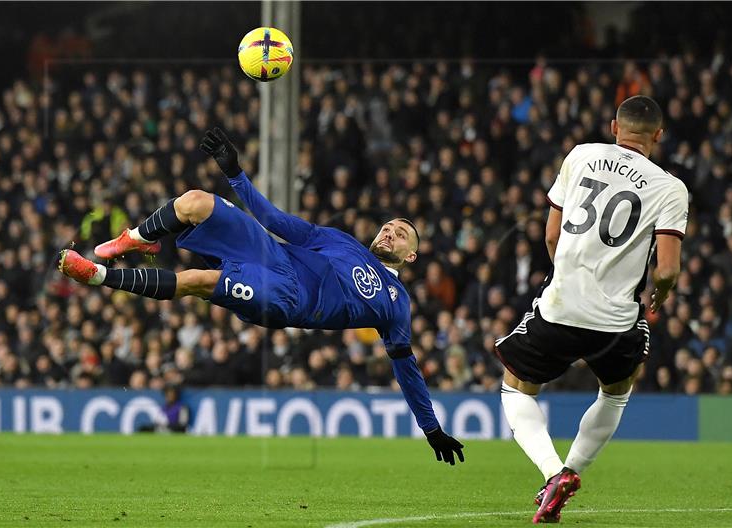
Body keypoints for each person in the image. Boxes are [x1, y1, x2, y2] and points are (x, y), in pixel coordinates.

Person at [58, 126, 465, 465]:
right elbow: (275, 220)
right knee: (195, 200)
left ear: (410, 255)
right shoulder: (341, 241)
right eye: (389, 226)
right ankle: (136, 239)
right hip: (272, 253)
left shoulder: (396, 300)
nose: (390, 231)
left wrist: (431, 427)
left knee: (199, 280)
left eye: (402, 233)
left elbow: (405, 367)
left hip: (287, 298)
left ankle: (96, 275)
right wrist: (235, 173)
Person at [495, 95, 688, 523]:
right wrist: (662, 294)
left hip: (561, 307)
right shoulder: (670, 188)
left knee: (515, 387)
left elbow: (550, 236)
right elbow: (668, 268)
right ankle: (572, 471)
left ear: (615, 127)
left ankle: (552, 473)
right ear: (658, 135)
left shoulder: (582, 155)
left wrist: (565, 276)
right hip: (617, 320)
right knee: (616, 394)